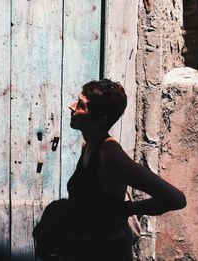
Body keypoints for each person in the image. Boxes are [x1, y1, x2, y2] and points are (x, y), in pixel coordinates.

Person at [65, 79, 186, 261]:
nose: (71, 107)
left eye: (81, 105)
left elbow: (175, 198)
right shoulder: (90, 145)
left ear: (100, 119)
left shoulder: (110, 154)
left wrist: (126, 209)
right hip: (85, 249)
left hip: (107, 252)